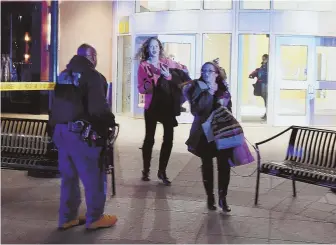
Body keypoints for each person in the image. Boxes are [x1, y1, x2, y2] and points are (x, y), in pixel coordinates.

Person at [50, 44, 117, 230]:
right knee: (94, 175)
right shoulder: (93, 76)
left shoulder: (63, 75)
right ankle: (95, 217)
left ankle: (68, 217)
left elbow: (54, 104)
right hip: (81, 135)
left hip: (61, 133)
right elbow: (98, 108)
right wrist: (109, 123)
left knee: (69, 178)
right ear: (92, 57)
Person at [136, 37, 190, 185]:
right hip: (152, 105)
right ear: (147, 49)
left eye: (156, 46)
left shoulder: (167, 62)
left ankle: (162, 171)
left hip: (167, 105)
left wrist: (169, 76)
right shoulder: (143, 66)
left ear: (160, 48)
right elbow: (140, 87)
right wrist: (149, 88)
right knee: (149, 138)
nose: (154, 49)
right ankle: (146, 169)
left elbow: (183, 71)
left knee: (168, 139)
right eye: (151, 47)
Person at [184, 61, 232, 212]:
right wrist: (209, 94)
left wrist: (225, 103)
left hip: (222, 132)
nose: (206, 74)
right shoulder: (197, 88)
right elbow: (196, 110)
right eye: (203, 71)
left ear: (216, 73)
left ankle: (223, 197)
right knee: (207, 164)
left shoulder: (223, 88)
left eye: (210, 71)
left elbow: (229, 109)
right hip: (204, 133)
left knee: (224, 165)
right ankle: (210, 197)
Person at [249, 54, 268, 120]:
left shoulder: (268, 66)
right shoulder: (263, 66)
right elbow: (260, 72)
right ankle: (267, 114)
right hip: (262, 83)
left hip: (265, 83)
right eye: (262, 59)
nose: (263, 60)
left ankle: (268, 114)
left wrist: (258, 72)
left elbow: (264, 74)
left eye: (264, 59)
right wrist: (255, 73)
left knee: (267, 100)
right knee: (265, 99)